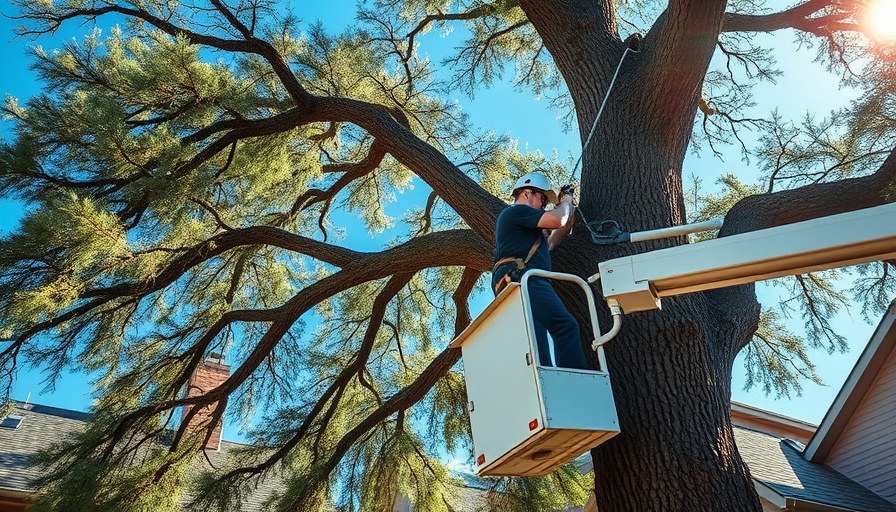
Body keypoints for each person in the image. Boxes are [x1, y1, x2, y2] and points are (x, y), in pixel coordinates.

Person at [491, 172, 589, 370]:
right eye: (543, 199)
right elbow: (557, 221)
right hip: (525, 277)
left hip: (516, 278)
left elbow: (557, 233)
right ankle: (573, 378)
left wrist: (565, 204)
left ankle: (546, 379)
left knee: (537, 334)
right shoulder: (516, 212)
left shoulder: (528, 229)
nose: (544, 205)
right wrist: (566, 202)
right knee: (564, 326)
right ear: (526, 194)